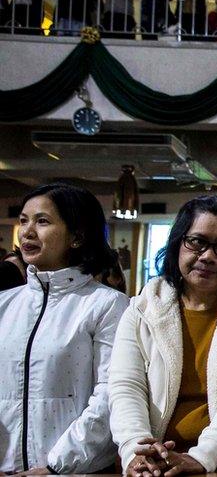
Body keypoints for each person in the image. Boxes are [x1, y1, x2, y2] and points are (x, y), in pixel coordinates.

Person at [109, 195, 217, 475]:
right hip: (155, 464)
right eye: (196, 242)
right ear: (178, 244)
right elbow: (125, 387)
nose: (207, 256)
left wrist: (203, 457)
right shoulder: (142, 307)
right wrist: (136, 449)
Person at [0, 183, 128, 474]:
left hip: (76, 470)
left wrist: (56, 465)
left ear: (77, 236)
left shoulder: (107, 305)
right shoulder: (4, 304)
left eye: (42, 221)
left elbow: (111, 394)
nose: (27, 231)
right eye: (23, 220)